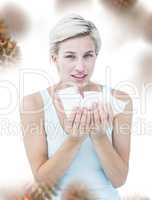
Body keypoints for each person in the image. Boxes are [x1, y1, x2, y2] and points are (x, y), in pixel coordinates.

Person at [20, 14, 133, 200]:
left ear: (96, 55)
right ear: (54, 58)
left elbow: (119, 179)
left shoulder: (120, 100)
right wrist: (75, 138)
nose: (80, 67)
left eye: (88, 55)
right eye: (70, 56)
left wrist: (99, 136)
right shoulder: (34, 103)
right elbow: (42, 181)